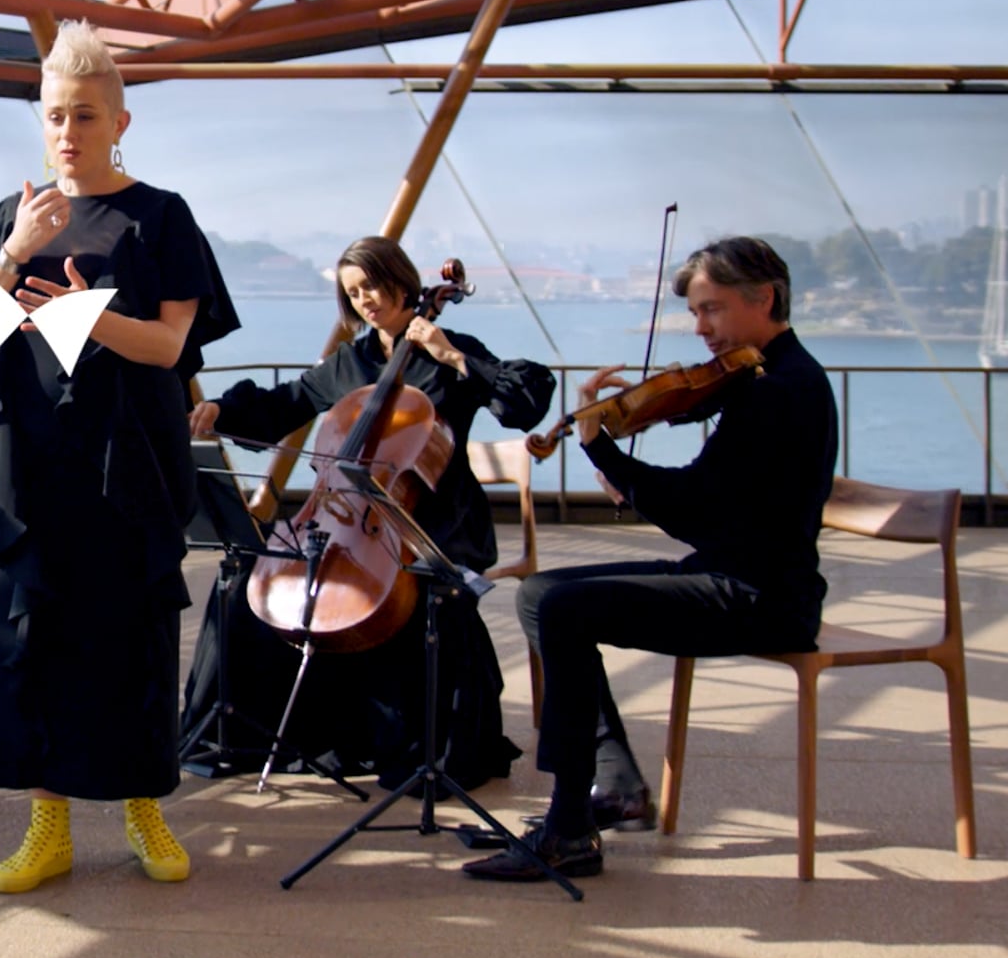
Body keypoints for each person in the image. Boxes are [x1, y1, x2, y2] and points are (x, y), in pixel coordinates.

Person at [0, 21, 238, 894]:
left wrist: (90, 318)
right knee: (34, 638)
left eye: (83, 115)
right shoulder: (11, 217)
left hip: (130, 462)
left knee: (131, 639)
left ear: (119, 121)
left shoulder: (161, 216)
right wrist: (11, 254)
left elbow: (171, 347)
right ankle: (48, 828)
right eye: (54, 116)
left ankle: (144, 809)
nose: (67, 132)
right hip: (31, 464)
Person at [464, 236, 837, 881]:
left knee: (562, 607)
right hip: (730, 574)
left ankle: (569, 830)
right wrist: (628, 465)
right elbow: (708, 499)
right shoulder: (761, 379)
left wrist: (604, 452)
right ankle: (612, 787)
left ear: (764, 297)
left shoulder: (779, 389)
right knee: (539, 594)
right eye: (695, 313)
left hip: (760, 598)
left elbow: (693, 511)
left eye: (712, 309)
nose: (701, 329)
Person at [188, 235, 553, 786]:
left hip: (434, 527)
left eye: (372, 286)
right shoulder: (351, 361)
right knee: (245, 586)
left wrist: (453, 356)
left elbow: (522, 403)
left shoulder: (450, 351)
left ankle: (412, 745)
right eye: (353, 293)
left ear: (401, 281)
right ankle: (251, 734)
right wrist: (221, 409)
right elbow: (285, 404)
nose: (365, 300)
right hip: (346, 524)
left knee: (421, 600)